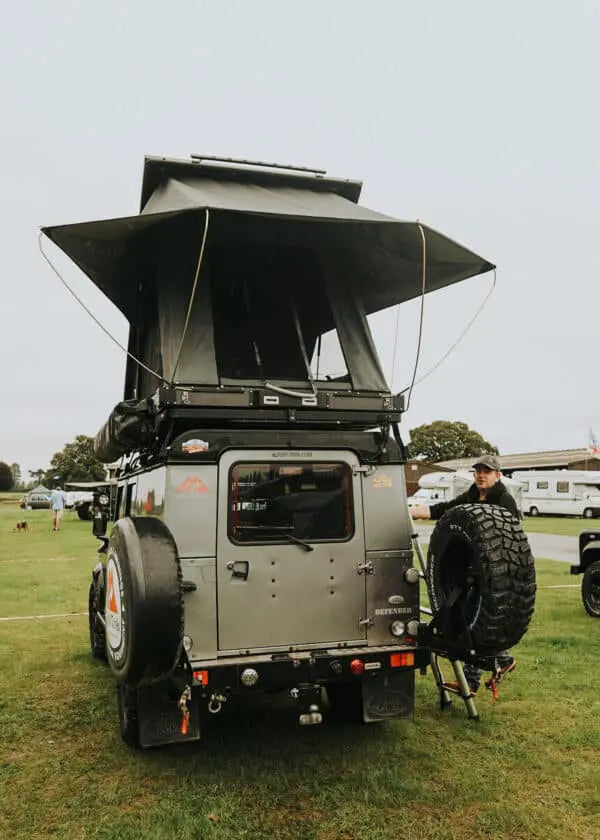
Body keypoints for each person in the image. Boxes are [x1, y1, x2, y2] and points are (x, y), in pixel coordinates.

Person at [411, 454, 518, 694]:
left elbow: (512, 540)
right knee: (473, 622)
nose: (481, 475)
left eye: (486, 471)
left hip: (494, 574)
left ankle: (484, 672)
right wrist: (412, 511)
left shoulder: (504, 501)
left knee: (476, 622)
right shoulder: (471, 495)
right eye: (478, 471)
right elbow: (445, 509)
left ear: (498, 475)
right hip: (471, 571)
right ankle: (495, 665)